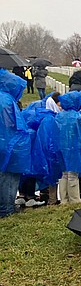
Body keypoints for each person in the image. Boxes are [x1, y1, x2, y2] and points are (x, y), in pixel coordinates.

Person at [0, 70, 30, 218]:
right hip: (9, 146)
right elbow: (11, 126)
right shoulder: (6, 101)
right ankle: (6, 209)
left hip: (6, 144)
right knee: (9, 178)